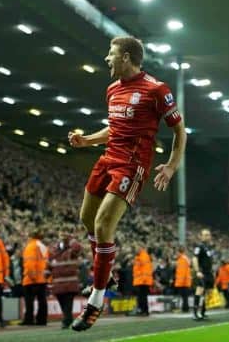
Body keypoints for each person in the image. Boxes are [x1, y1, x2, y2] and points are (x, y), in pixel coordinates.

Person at [68, 36, 187, 331]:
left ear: (126, 58)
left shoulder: (156, 90)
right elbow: (114, 127)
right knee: (86, 218)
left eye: (111, 54)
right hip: (107, 159)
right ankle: (105, 274)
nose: (107, 59)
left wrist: (171, 166)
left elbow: (180, 132)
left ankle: (96, 301)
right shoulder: (112, 90)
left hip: (132, 166)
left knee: (103, 226)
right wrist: (87, 140)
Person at [49, 230, 82, 329]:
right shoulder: (55, 250)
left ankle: (66, 320)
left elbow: (78, 248)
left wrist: (70, 239)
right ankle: (68, 318)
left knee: (68, 302)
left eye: (64, 235)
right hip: (58, 283)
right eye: (61, 235)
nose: (62, 237)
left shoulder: (71, 250)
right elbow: (49, 264)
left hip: (70, 282)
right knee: (62, 301)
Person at [21, 229, 49, 326]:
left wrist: (32, 276)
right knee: (42, 301)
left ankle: (29, 319)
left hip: (31, 279)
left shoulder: (30, 246)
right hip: (42, 278)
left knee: (29, 301)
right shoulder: (43, 246)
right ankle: (42, 320)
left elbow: (29, 263)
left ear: (30, 236)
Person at [192, 229, 214, 320]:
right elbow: (194, 258)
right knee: (199, 290)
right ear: (201, 236)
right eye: (204, 235)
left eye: (208, 235)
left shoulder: (209, 247)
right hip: (202, 272)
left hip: (209, 273)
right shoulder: (199, 246)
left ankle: (203, 312)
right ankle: (195, 313)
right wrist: (197, 271)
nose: (206, 236)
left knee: (208, 293)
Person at [132, 247, 153, 316]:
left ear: (140, 249)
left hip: (143, 281)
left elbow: (146, 268)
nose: (135, 251)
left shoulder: (143, 256)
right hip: (140, 280)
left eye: (137, 249)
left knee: (142, 296)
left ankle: (144, 311)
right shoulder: (140, 256)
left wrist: (144, 279)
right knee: (142, 296)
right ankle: (143, 311)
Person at [173, 246, 192, 313]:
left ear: (179, 252)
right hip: (186, 281)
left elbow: (182, 272)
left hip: (183, 281)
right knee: (185, 296)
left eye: (176, 252)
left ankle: (185, 308)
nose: (176, 254)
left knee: (184, 296)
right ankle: (185, 308)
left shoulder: (182, 259)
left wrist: (179, 283)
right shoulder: (184, 258)